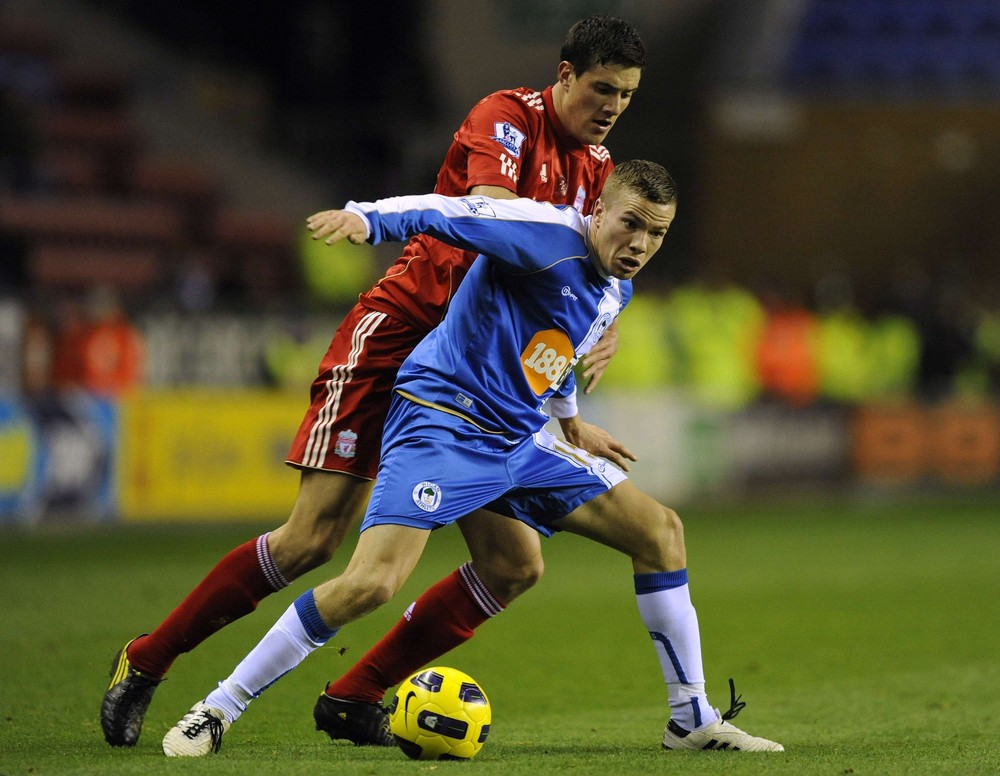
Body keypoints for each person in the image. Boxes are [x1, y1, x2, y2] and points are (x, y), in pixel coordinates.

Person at [101, 14, 645, 749]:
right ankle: (148, 658)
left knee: (514, 563)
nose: (613, 107)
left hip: (469, 378)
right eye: (603, 89)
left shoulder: (601, 170)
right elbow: (492, 220)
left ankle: (354, 694)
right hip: (401, 333)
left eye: (627, 95)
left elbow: (589, 266)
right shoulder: (508, 118)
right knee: (311, 540)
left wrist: (600, 320)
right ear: (565, 75)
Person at [161, 160, 784, 756]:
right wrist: (367, 217)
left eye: (657, 233)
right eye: (631, 224)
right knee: (372, 582)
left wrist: (570, 422)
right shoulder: (543, 235)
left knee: (654, 534)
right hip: (444, 423)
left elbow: (555, 348)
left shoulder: (616, 286)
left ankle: (690, 718)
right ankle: (217, 708)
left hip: (518, 438)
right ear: (598, 212)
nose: (641, 243)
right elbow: (450, 212)